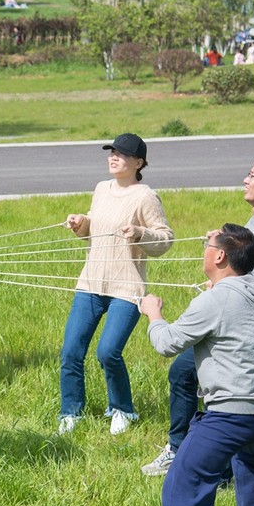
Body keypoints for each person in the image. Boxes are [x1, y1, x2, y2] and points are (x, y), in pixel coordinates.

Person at [140, 224, 254, 506]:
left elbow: (168, 344)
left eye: (207, 244)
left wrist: (153, 313)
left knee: (183, 485)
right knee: (252, 449)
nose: (204, 248)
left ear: (220, 256)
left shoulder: (217, 299)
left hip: (234, 414)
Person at [142, 153, 254, 478]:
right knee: (193, 378)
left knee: (188, 376)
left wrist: (244, 268)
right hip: (234, 314)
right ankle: (215, 459)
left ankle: (183, 451)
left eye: (253, 175)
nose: (246, 179)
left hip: (248, 323)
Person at [59, 133, 174, 436]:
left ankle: (123, 410)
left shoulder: (145, 196)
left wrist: (139, 233)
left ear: (138, 163)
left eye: (122, 155)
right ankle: (71, 412)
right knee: (71, 351)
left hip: (127, 288)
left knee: (108, 352)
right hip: (91, 283)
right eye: (112, 152)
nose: (114, 157)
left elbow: (165, 240)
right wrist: (80, 223)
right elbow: (95, 232)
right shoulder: (101, 188)